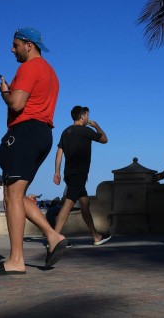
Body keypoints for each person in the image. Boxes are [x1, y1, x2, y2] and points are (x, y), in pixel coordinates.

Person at [0, 27, 65, 277]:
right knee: (14, 193)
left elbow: (17, 103)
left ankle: (16, 259)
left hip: (25, 132)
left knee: (12, 195)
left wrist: (5, 91)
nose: (12, 49)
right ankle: (53, 235)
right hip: (42, 134)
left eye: (15, 44)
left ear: (29, 45)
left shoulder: (29, 67)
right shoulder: (51, 72)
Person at [52, 105, 111, 246]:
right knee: (68, 204)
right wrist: (96, 125)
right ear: (83, 116)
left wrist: (57, 171)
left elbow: (59, 153)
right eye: (87, 116)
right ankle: (54, 238)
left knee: (85, 204)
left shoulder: (66, 132)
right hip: (78, 174)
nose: (88, 118)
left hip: (70, 173)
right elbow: (104, 139)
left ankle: (96, 236)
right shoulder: (86, 131)